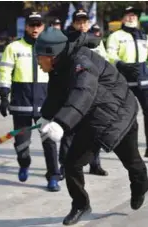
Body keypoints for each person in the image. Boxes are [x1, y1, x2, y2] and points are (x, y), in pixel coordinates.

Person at [35, 27, 148, 226]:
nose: (38, 61)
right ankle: (80, 204)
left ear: (52, 55)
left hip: (119, 113)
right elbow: (55, 94)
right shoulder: (59, 67)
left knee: (132, 162)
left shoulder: (82, 63)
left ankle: (140, 186)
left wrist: (61, 123)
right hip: (93, 118)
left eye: (40, 56)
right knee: (71, 164)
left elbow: (83, 92)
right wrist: (46, 117)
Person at [0, 12, 61, 191]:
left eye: (38, 25)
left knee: (50, 141)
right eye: (32, 25)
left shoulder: (52, 48)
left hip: (46, 105)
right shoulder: (13, 47)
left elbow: (59, 74)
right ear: (26, 27)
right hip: (21, 104)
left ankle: (53, 177)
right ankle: (24, 163)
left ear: (43, 27)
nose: (35, 29)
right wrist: (4, 96)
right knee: (22, 144)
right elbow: (4, 72)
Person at [62, 9, 108, 176]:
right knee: (70, 129)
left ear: (89, 23)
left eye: (85, 22)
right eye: (78, 22)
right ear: (73, 23)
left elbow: (105, 62)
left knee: (94, 129)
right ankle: (65, 166)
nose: (82, 25)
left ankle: (95, 164)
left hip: (94, 90)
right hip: (73, 91)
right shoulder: (67, 40)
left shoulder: (97, 41)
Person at [107, 6, 148, 158]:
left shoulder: (143, 35)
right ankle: (129, 148)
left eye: (134, 16)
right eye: (128, 15)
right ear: (123, 18)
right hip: (125, 81)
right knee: (127, 116)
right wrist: (121, 64)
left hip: (144, 82)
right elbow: (110, 54)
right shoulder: (116, 36)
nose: (131, 18)